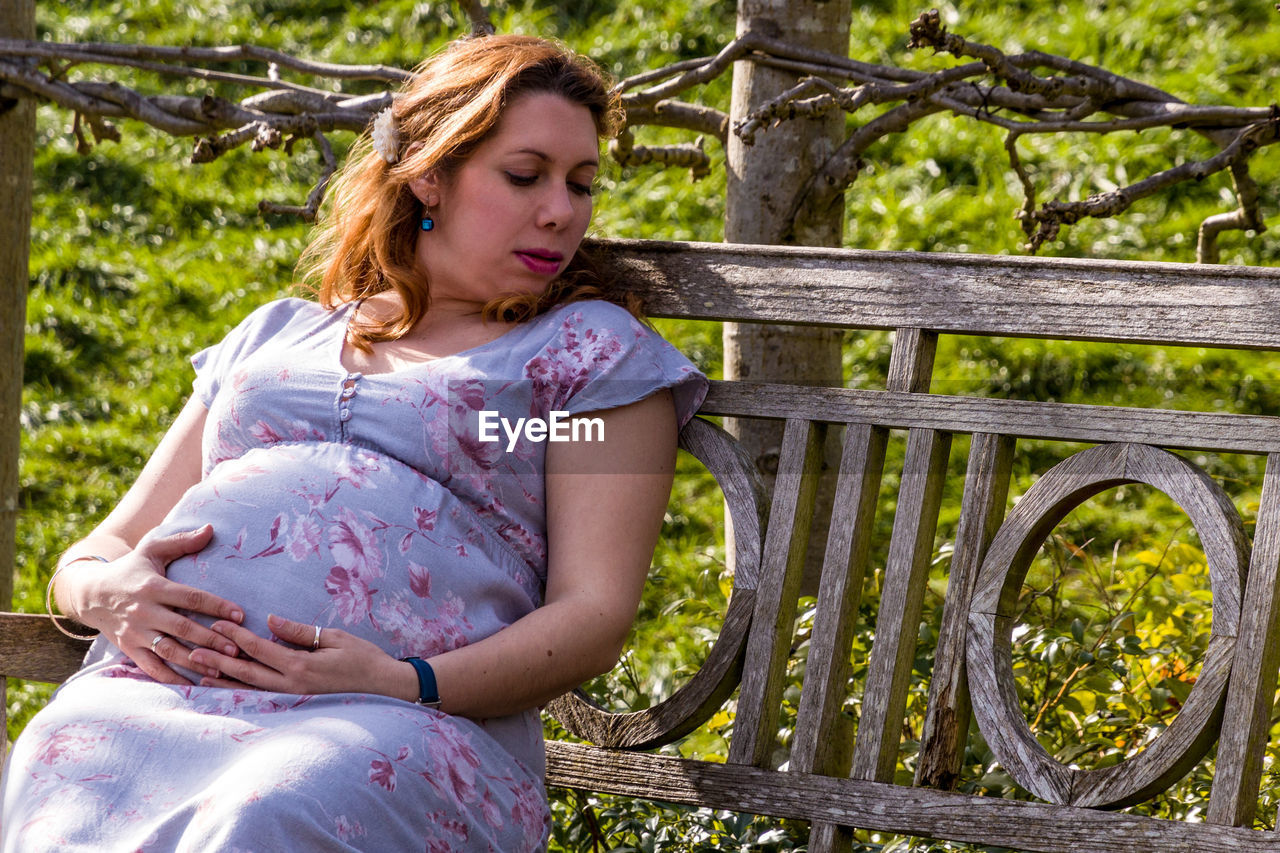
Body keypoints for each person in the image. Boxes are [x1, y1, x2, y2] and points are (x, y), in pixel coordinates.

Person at [1, 33, 707, 851]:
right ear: (428, 174)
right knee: (61, 769)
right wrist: (110, 593)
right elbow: (97, 551)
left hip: (390, 727)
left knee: (270, 809)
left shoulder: (584, 358)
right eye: (525, 176)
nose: (561, 210)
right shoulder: (275, 336)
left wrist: (406, 682)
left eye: (582, 184)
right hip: (159, 697)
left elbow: (594, 613)